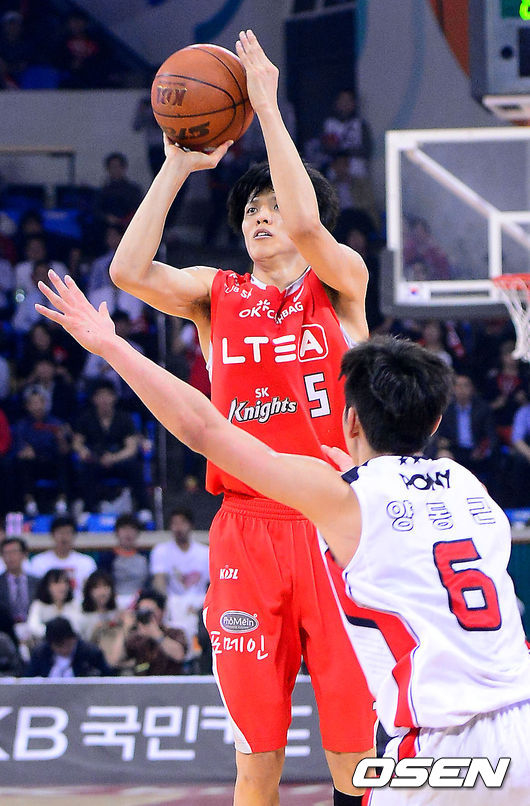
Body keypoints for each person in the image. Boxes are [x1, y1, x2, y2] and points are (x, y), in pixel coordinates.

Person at [36, 274, 530, 804]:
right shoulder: (473, 492)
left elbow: (205, 429)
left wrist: (111, 345)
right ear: (435, 422)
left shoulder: (345, 499)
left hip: (441, 748)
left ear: (350, 421)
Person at [109, 29, 373, 803]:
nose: (262, 218)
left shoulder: (341, 284)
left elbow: (308, 228)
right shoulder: (215, 295)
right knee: (256, 757)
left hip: (336, 525)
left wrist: (265, 105)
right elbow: (128, 271)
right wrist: (175, 167)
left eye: (273, 207)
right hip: (246, 531)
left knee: (353, 757)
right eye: (251, 209)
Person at [72, 379, 151, 516]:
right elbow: (77, 443)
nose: (104, 399)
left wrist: (113, 458)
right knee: (86, 469)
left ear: (114, 397)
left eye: (107, 395)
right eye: (100, 395)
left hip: (119, 460)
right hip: (96, 460)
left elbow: (131, 448)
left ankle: (144, 509)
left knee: (135, 468)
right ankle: (88, 510)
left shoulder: (124, 418)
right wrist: (83, 451)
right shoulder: (86, 418)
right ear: (94, 399)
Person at [111, 589, 187, 676]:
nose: (146, 615)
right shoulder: (136, 637)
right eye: (142, 611)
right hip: (141, 682)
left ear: (162, 612)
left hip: (169, 681)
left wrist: (156, 634)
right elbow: (114, 661)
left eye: (150, 611)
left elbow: (179, 655)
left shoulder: (175, 633)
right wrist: (125, 629)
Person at [25, 616, 114, 677]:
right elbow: (28, 679)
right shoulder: (40, 654)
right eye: (59, 646)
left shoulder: (91, 653)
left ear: (73, 639)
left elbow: (107, 677)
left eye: (67, 645)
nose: (64, 650)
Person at [29, 516, 97, 596]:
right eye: (60, 533)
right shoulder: (38, 562)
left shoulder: (87, 562)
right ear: (52, 535)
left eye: (68, 533)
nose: (64, 537)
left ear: (74, 535)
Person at [97, 513, 149, 608]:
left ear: (137, 533)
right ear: (117, 533)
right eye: (124, 529)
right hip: (114, 602)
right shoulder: (107, 558)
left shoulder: (145, 557)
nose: (128, 533)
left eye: (132, 529)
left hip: (141, 601)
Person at [26, 568, 80, 642]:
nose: (62, 587)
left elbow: (77, 627)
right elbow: (33, 626)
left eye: (65, 582)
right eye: (57, 583)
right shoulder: (38, 605)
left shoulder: (74, 604)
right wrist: (54, 633)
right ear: (47, 586)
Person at [0, 537, 39, 624]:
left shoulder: (37, 582)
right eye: (6, 553)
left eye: (14, 552)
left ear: (24, 554)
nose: (10, 557)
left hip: (33, 626)